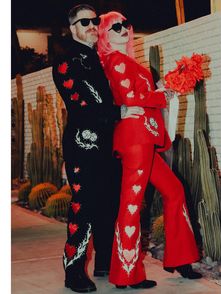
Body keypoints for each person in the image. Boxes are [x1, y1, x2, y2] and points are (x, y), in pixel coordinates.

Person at [97, 11, 202, 289]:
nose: (123, 29)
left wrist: (163, 88)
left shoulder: (130, 62)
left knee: (174, 191)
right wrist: (159, 96)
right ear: (104, 36)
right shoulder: (115, 60)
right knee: (131, 204)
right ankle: (126, 275)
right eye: (114, 27)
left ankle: (181, 259)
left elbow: (142, 94)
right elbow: (130, 97)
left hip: (146, 138)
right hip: (135, 140)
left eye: (125, 25)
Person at [52, 4, 144, 293]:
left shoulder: (100, 58)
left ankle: (107, 264)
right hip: (83, 145)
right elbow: (83, 105)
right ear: (73, 28)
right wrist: (120, 113)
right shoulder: (67, 62)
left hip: (107, 145)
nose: (92, 25)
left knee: (109, 206)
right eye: (85, 22)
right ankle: (74, 271)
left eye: (95, 21)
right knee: (84, 208)